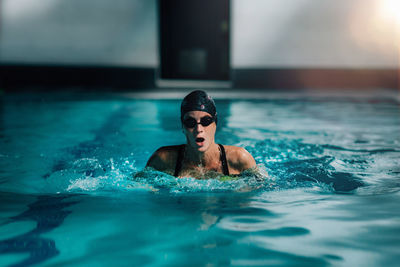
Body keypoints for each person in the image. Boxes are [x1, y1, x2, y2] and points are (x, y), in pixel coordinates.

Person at [146, 90, 257, 179]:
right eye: (190, 122)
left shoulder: (239, 159)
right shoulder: (164, 160)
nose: (198, 129)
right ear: (183, 126)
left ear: (215, 123)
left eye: (206, 121)